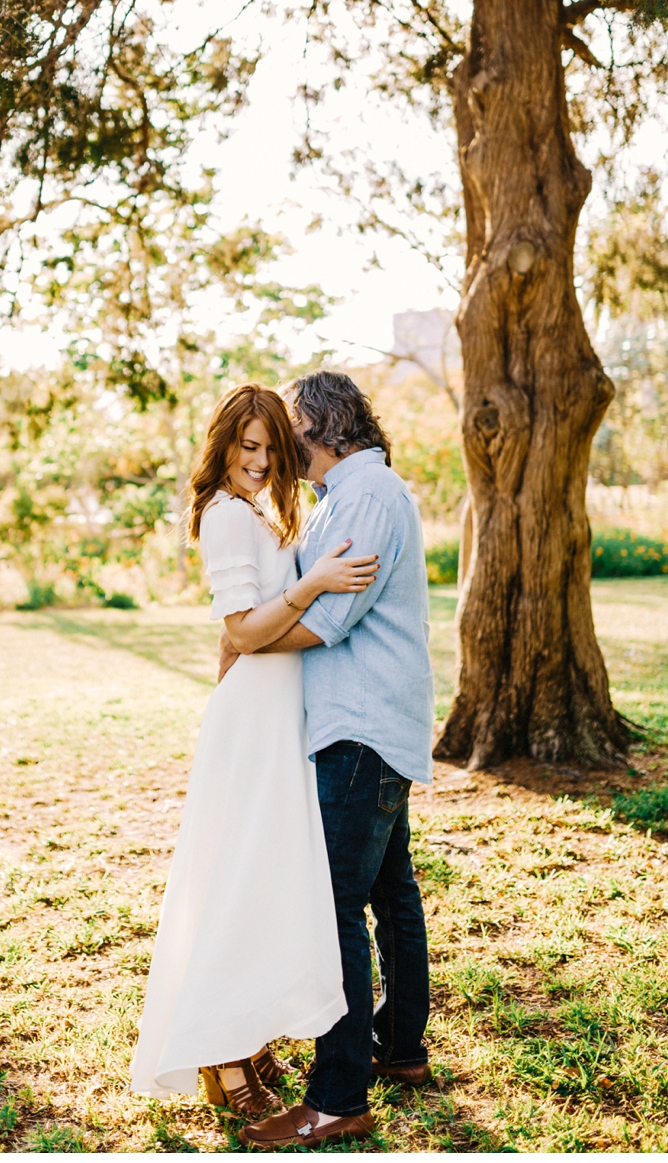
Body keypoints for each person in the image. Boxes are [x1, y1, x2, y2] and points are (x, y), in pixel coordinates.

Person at [129, 382, 381, 1120]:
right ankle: (221, 1052)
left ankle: (244, 1028)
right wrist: (316, 585)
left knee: (265, 881)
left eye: (273, 448)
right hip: (258, 719)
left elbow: (230, 644)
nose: (260, 461)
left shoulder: (260, 513)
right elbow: (241, 628)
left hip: (273, 718)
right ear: (223, 447)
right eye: (247, 447)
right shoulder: (225, 515)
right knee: (239, 883)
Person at [225, 371, 435, 1151]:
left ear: (321, 425)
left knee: (337, 907)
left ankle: (338, 1094)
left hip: (360, 730)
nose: (284, 445)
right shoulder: (347, 498)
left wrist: (247, 638)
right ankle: (400, 1048)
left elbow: (329, 621)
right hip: (369, 724)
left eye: (292, 429)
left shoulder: (367, 499)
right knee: (390, 891)